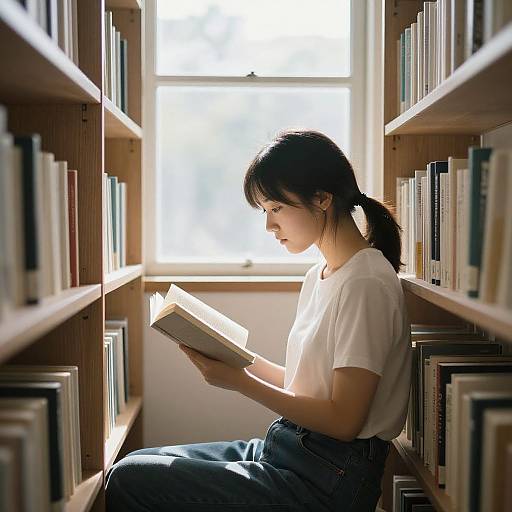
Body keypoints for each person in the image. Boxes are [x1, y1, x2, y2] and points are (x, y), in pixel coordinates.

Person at [105, 130, 412, 512]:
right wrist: (237, 359)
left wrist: (240, 383)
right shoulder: (322, 273)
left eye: (276, 208)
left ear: (322, 198)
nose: (269, 226)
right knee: (136, 464)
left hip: (327, 478)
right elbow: (310, 385)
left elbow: (344, 420)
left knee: (129, 479)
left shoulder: (366, 281)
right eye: (265, 211)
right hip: (290, 449)